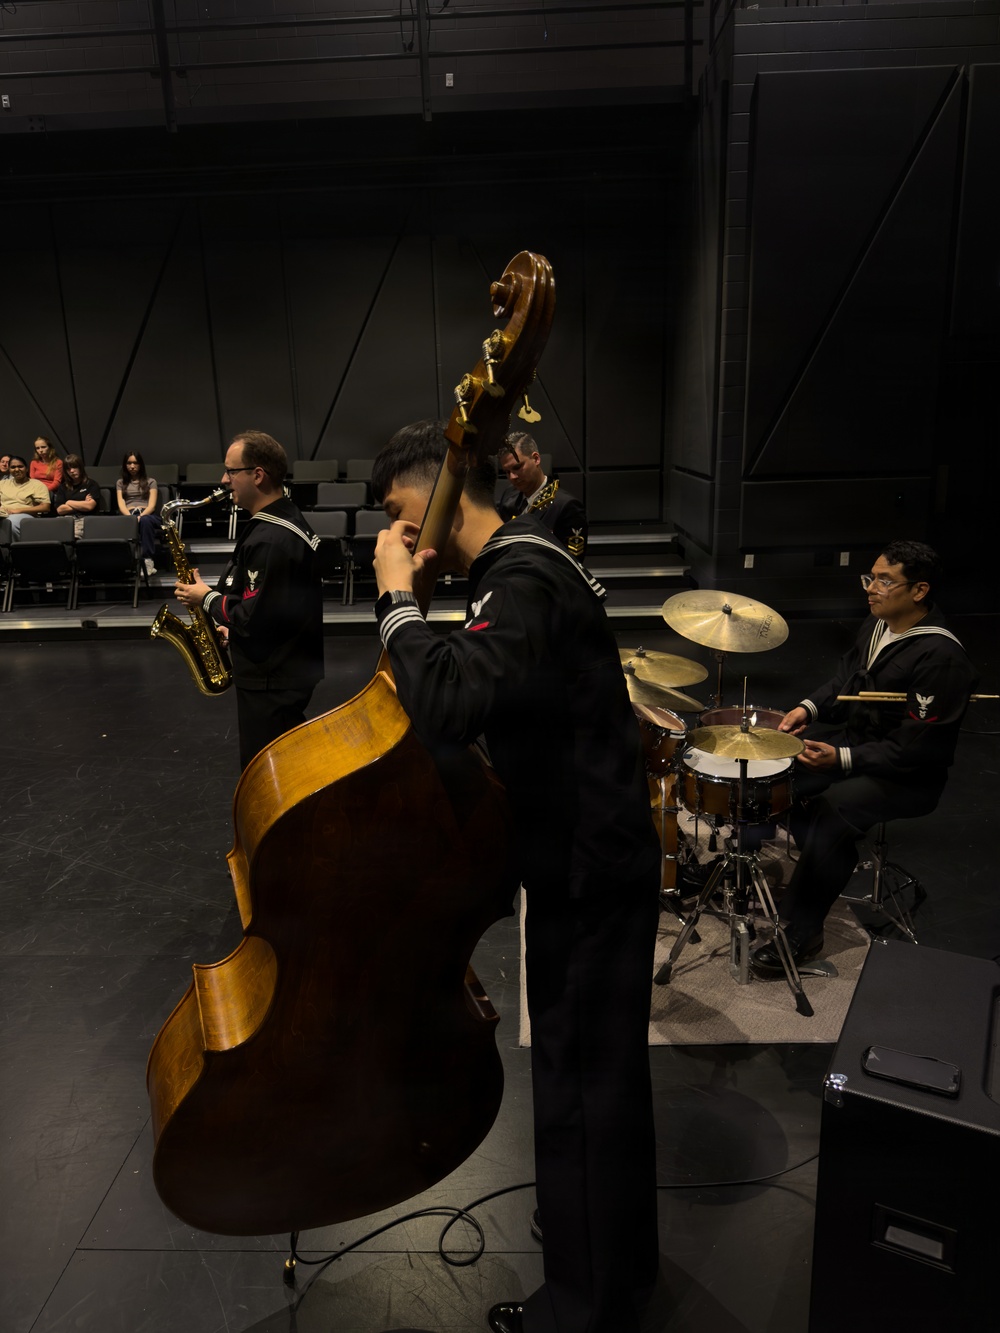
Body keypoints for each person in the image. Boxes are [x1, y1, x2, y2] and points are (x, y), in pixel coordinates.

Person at [371, 421, 660, 1333]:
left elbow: (451, 700)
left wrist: (396, 598)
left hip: (586, 869)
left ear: (435, 496)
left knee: (580, 1087)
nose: (394, 531)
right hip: (595, 857)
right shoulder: (528, 558)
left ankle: (583, 1311)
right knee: (604, 1081)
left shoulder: (519, 572)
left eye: (397, 512)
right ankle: (615, 1265)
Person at [752, 540, 976, 972]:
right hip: (858, 746)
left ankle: (804, 931)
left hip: (909, 775)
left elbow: (918, 746)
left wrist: (841, 759)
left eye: (885, 581)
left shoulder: (941, 657)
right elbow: (844, 681)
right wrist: (807, 709)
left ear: (919, 590)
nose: (871, 588)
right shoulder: (877, 625)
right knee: (779, 773)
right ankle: (802, 864)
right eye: (870, 578)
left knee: (832, 813)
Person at [173, 431, 323, 771]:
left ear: (257, 475)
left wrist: (206, 597)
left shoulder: (271, 537)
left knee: (267, 771)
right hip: (283, 666)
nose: (224, 480)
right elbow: (274, 605)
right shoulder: (280, 521)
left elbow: (253, 615)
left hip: (273, 675)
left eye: (231, 471)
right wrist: (232, 627)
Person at [496, 431, 588, 560]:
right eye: (507, 472)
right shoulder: (508, 496)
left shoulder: (566, 506)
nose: (512, 477)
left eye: (517, 467)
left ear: (536, 459)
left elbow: (571, 563)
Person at [116, 451, 161, 575]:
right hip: (129, 515)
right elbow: (121, 504)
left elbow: (152, 506)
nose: (132, 466)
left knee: (145, 521)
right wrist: (131, 518)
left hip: (147, 514)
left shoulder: (151, 482)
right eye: (129, 463)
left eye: (135, 463)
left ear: (140, 464)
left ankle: (148, 560)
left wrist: (141, 516)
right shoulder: (120, 483)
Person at [0, 455, 51, 535]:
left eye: (20, 466)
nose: (17, 469)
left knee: (9, 523)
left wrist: (19, 510)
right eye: (13, 467)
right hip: (3, 513)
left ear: (26, 469)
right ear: (9, 470)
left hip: (25, 515)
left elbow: (45, 507)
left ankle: (13, 544)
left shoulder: (37, 484)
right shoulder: (3, 484)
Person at [55, 455, 101, 538]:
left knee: (72, 536)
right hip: (65, 519)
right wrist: (82, 504)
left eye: (74, 467)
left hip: (84, 519)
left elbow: (89, 506)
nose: (72, 471)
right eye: (68, 469)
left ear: (80, 467)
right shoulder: (63, 487)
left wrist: (69, 502)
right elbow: (60, 510)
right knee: (51, 535)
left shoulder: (91, 484)